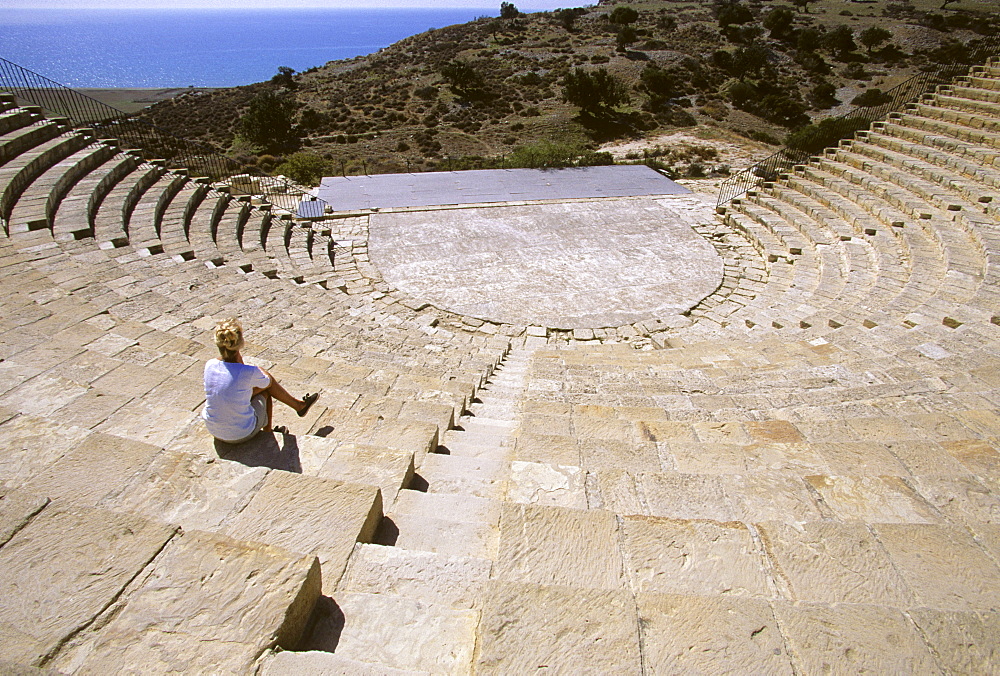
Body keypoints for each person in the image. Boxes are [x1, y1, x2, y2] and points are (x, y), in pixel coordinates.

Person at [203, 318, 318, 443]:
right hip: (240, 434)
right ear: (240, 343)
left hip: (213, 429)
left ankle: (299, 406)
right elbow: (267, 382)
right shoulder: (248, 372)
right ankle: (270, 432)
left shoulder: (210, 364)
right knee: (267, 388)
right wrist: (260, 370)